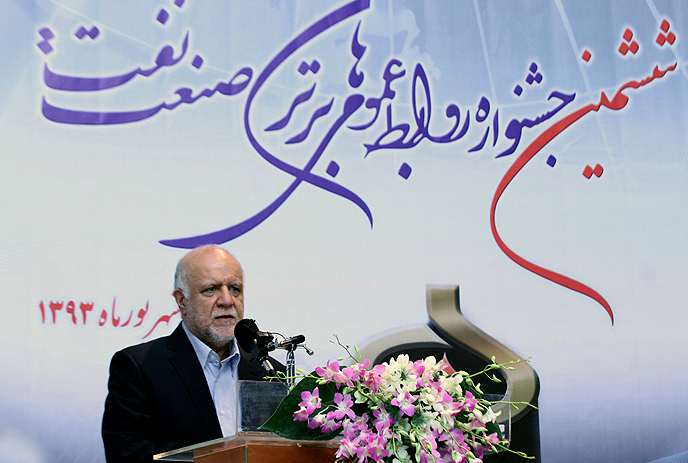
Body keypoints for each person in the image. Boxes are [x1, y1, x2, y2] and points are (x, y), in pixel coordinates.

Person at [102, 245, 284, 462]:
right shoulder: (140, 367)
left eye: (235, 289)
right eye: (211, 289)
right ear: (182, 300)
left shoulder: (271, 372)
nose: (227, 300)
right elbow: (124, 453)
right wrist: (219, 458)